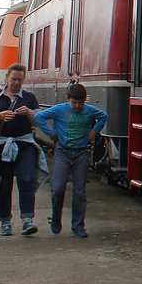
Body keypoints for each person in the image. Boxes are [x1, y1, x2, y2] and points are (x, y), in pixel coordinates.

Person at [33, 83, 106, 238]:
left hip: (81, 153)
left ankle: (78, 225)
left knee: (80, 191)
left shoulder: (89, 110)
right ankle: (56, 217)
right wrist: (50, 132)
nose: (77, 106)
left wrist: (94, 131)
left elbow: (103, 116)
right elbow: (39, 117)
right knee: (58, 188)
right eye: (74, 102)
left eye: (81, 103)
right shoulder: (60, 109)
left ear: (85, 101)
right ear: (67, 99)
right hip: (62, 152)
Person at [0, 63, 44, 236]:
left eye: (20, 80)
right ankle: (5, 221)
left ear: (24, 80)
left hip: (25, 144)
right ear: (7, 78)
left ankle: (27, 220)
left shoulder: (29, 97)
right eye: (13, 79)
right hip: (1, 146)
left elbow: (39, 122)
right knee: (3, 183)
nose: (16, 83)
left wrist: (29, 113)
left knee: (27, 178)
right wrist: (0, 116)